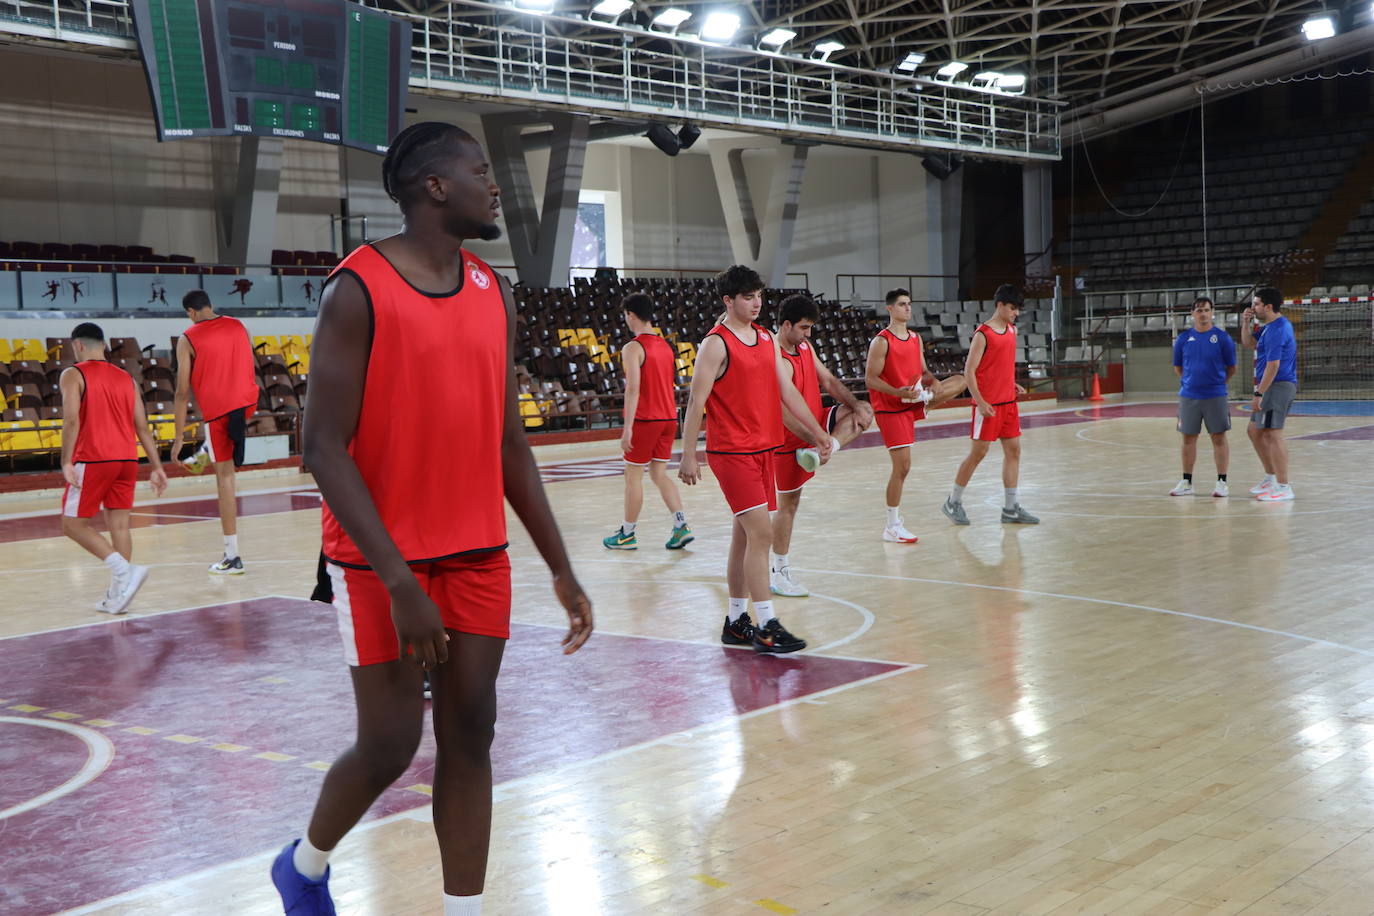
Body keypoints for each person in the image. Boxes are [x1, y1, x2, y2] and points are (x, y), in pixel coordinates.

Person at [270, 122, 592, 916]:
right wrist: (398, 582)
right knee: (390, 743)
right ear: (435, 187)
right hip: (382, 561)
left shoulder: (495, 290)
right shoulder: (357, 287)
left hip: (479, 552)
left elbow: (509, 440)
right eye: (481, 171)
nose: (494, 186)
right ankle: (304, 867)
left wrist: (559, 564)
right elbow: (322, 447)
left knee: (472, 732)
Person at [677, 266, 832, 655]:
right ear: (728, 301)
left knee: (744, 537)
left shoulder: (765, 338)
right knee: (762, 535)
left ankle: (735, 621)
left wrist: (817, 431)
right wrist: (689, 454)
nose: (757, 302)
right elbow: (696, 401)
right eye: (748, 297)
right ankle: (766, 624)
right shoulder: (715, 344)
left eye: (759, 295)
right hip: (732, 453)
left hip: (764, 449)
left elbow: (787, 392)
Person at [58, 322, 168, 613]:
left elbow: (71, 420)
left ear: (78, 346)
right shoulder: (126, 378)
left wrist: (66, 460)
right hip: (127, 460)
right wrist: (157, 467)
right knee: (119, 525)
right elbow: (143, 427)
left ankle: (123, 571)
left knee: (72, 524)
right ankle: (119, 595)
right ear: (103, 345)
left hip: (93, 458)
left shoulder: (73, 374)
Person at [769, 293, 874, 597]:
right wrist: (814, 434)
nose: (808, 333)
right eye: (803, 327)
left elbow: (829, 381)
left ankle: (823, 452)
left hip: (816, 424)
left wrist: (856, 403)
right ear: (786, 325)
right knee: (788, 505)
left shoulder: (805, 346)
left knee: (862, 412)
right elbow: (783, 412)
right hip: (789, 437)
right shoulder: (774, 356)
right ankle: (779, 570)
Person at [865, 288, 966, 542]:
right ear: (890, 308)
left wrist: (932, 381)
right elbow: (871, 379)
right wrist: (897, 391)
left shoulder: (915, 338)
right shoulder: (881, 341)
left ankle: (929, 398)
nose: (907, 308)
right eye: (902, 304)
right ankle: (891, 525)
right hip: (891, 407)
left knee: (960, 380)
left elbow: (923, 370)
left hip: (914, 398)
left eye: (909, 304)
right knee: (903, 467)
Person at [169, 290, 259, 574]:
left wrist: (179, 436)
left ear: (191, 313)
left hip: (219, 412)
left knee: (225, 480)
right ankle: (205, 452)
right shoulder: (238, 325)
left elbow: (182, 392)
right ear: (211, 305)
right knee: (225, 459)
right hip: (245, 404)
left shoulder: (188, 337)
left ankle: (232, 556)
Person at [941, 284, 1038, 526]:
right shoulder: (983, 333)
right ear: (1000, 305)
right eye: (1013, 308)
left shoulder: (1012, 331)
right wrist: (981, 402)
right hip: (988, 407)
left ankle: (1010, 508)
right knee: (978, 454)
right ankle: (953, 501)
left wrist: (1011, 383)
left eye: (1018, 309)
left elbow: (1001, 364)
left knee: (1014, 451)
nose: (1016, 313)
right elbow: (969, 372)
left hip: (1008, 403)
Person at [602, 292, 693, 551]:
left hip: (646, 419)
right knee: (658, 473)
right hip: (668, 418)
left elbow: (633, 390)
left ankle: (627, 534)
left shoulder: (633, 347)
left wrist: (627, 428)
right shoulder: (665, 346)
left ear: (631, 315)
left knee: (633, 477)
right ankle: (680, 525)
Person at [1169, 296, 1236, 497]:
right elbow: (1178, 368)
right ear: (1192, 314)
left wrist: (1216, 383)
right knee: (1188, 438)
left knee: (1219, 437)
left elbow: (1231, 368)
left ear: (1212, 312)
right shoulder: (1182, 340)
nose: (1203, 314)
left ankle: (1222, 482)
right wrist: (1192, 382)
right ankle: (1187, 482)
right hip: (1189, 396)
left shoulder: (1223, 338)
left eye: (1206, 310)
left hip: (1215, 395)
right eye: (1199, 310)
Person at [1242, 287, 1298, 501]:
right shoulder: (1268, 328)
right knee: (1255, 430)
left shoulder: (1277, 330)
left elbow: (1273, 366)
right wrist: (1245, 323)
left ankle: (1284, 486)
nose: (1253, 307)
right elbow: (1248, 343)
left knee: (1273, 434)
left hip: (1278, 385)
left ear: (1268, 306)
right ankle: (1271, 478)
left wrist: (1259, 393)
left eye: (1256, 304)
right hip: (1271, 385)